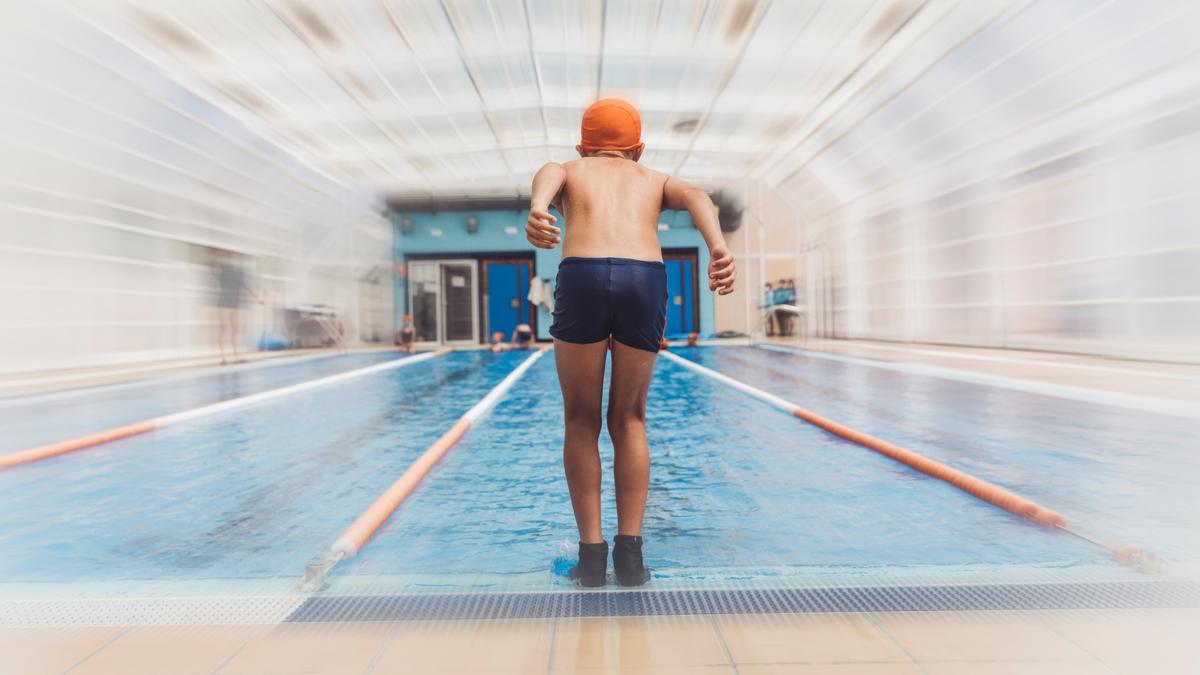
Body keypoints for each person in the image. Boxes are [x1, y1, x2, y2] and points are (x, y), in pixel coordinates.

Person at [526, 98, 735, 587]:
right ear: (638, 149)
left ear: (583, 145)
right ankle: (632, 558)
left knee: (581, 418)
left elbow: (549, 173)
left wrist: (539, 207)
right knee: (630, 417)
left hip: (583, 271)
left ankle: (592, 557)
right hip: (646, 277)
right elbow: (699, 195)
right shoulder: (656, 179)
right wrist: (718, 246)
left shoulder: (571, 168)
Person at [213, 253, 258, 365]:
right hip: (223, 303)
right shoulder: (223, 272)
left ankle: (236, 355)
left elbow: (246, 286)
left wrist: (257, 298)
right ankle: (222, 356)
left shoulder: (239, 273)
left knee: (236, 329)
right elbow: (214, 272)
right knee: (224, 328)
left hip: (234, 304)